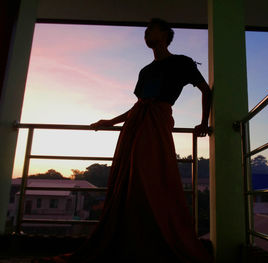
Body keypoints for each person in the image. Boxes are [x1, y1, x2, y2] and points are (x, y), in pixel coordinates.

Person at [33, 18, 213, 263]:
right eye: (145, 31)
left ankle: (154, 236)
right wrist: (110, 122)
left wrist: (204, 122)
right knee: (128, 176)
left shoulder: (182, 62)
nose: (147, 33)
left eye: (152, 30)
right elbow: (137, 106)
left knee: (150, 174)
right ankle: (129, 235)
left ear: (166, 34)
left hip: (157, 122)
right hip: (134, 125)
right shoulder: (145, 71)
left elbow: (206, 90)